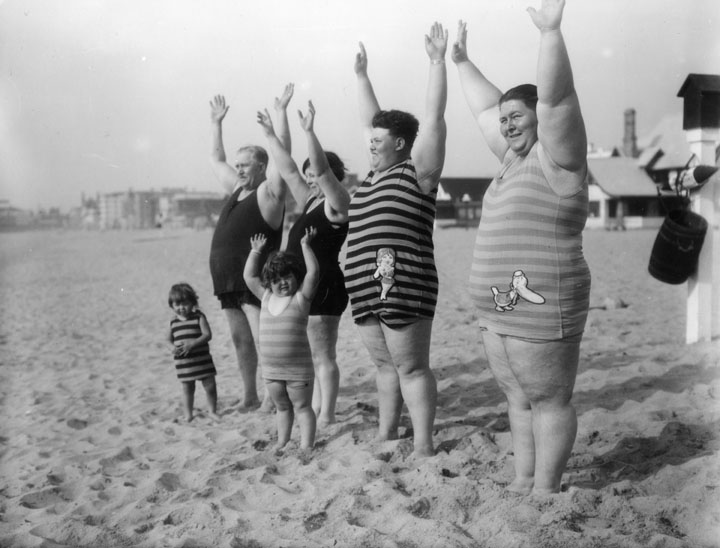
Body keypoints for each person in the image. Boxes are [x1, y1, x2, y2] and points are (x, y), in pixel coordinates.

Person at [452, 0, 591, 494]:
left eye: (518, 116)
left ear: (540, 120)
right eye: (505, 118)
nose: (507, 124)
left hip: (543, 304)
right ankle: (524, 478)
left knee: (549, 399)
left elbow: (557, 99)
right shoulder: (511, 157)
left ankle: (546, 489)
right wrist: (462, 61)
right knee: (517, 399)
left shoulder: (559, 158)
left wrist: (550, 34)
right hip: (499, 311)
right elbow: (485, 107)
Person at [344, 23, 448, 457]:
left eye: (378, 141)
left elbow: (436, 120)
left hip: (404, 281)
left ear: (401, 144)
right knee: (385, 366)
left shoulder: (416, 172)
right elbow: (373, 120)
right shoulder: (371, 177)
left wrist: (437, 62)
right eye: (370, 140)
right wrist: (363, 77)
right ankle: (388, 434)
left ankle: (423, 444)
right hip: (364, 285)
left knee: (410, 366)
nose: (370, 144)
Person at [256, 97, 351, 427]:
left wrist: (309, 132)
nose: (311, 179)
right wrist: (270, 134)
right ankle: (318, 408)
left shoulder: (337, 203)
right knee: (310, 355)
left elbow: (321, 171)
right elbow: (289, 169)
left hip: (324, 286)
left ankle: (327, 414)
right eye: (310, 176)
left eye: (317, 175)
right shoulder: (311, 200)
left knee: (323, 356)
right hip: (301, 286)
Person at [208, 85, 293, 410]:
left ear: (261, 167)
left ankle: (274, 396)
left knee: (264, 340)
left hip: (255, 281)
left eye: (245, 165)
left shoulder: (268, 194)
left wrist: (280, 118)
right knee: (241, 340)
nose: (239, 169)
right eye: (238, 165)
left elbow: (283, 156)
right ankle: (250, 396)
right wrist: (216, 123)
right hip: (227, 280)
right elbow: (216, 158)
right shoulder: (237, 189)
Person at [243, 229, 320, 450]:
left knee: (303, 407)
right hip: (272, 370)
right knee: (283, 408)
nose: (282, 282)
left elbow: (313, 273)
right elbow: (249, 277)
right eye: (276, 279)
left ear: (295, 276)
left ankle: (306, 446)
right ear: (269, 282)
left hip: (298, 369)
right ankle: (283, 441)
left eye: (287, 276)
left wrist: (306, 246)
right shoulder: (266, 297)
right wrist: (255, 252)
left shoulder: (301, 298)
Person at [167, 283, 218, 422]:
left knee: (210, 386)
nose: (181, 308)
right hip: (184, 363)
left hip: (202, 360)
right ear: (171, 305)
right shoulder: (173, 322)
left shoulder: (199, 317)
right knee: (187, 389)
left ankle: (212, 411)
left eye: (185, 304)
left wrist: (193, 343)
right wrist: (172, 347)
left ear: (193, 303)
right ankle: (188, 414)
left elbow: (207, 334)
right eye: (177, 304)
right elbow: (168, 339)